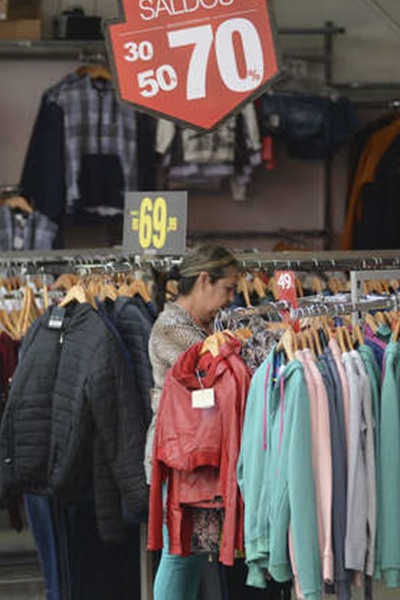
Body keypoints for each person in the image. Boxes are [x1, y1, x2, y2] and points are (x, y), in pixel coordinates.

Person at [146, 245, 239, 600]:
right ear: (204, 280)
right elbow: (214, 371)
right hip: (177, 458)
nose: (231, 299)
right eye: (227, 288)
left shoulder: (204, 327)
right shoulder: (171, 329)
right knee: (180, 554)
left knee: (192, 554)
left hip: (194, 456)